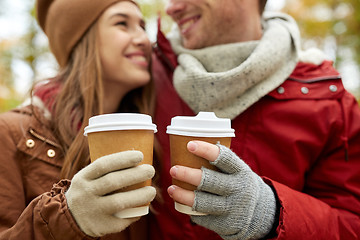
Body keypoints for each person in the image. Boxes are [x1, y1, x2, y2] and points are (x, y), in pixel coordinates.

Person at [150, 0, 360, 239]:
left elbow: (352, 225)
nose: (171, 8)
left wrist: (271, 214)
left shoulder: (331, 103)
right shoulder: (143, 75)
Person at [0, 0, 157, 239]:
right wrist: (69, 218)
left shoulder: (148, 137)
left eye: (143, 26)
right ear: (81, 40)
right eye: (122, 23)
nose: (145, 39)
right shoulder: (10, 134)